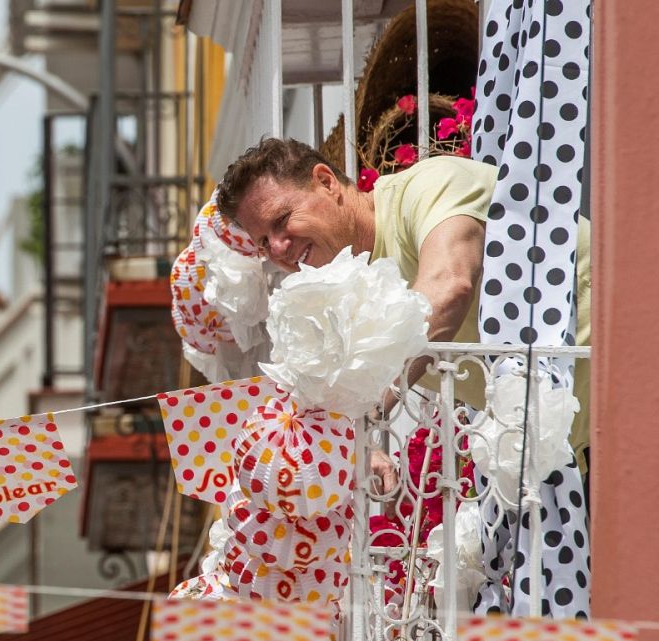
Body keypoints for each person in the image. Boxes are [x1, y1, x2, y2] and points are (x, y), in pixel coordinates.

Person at [214, 137, 591, 487]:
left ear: (326, 182)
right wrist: (354, 444)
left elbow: (448, 286)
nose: (279, 248)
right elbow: (332, 409)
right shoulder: (342, 293)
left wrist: (369, 410)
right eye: (263, 242)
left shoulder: (428, 185)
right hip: (584, 447)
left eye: (282, 220)